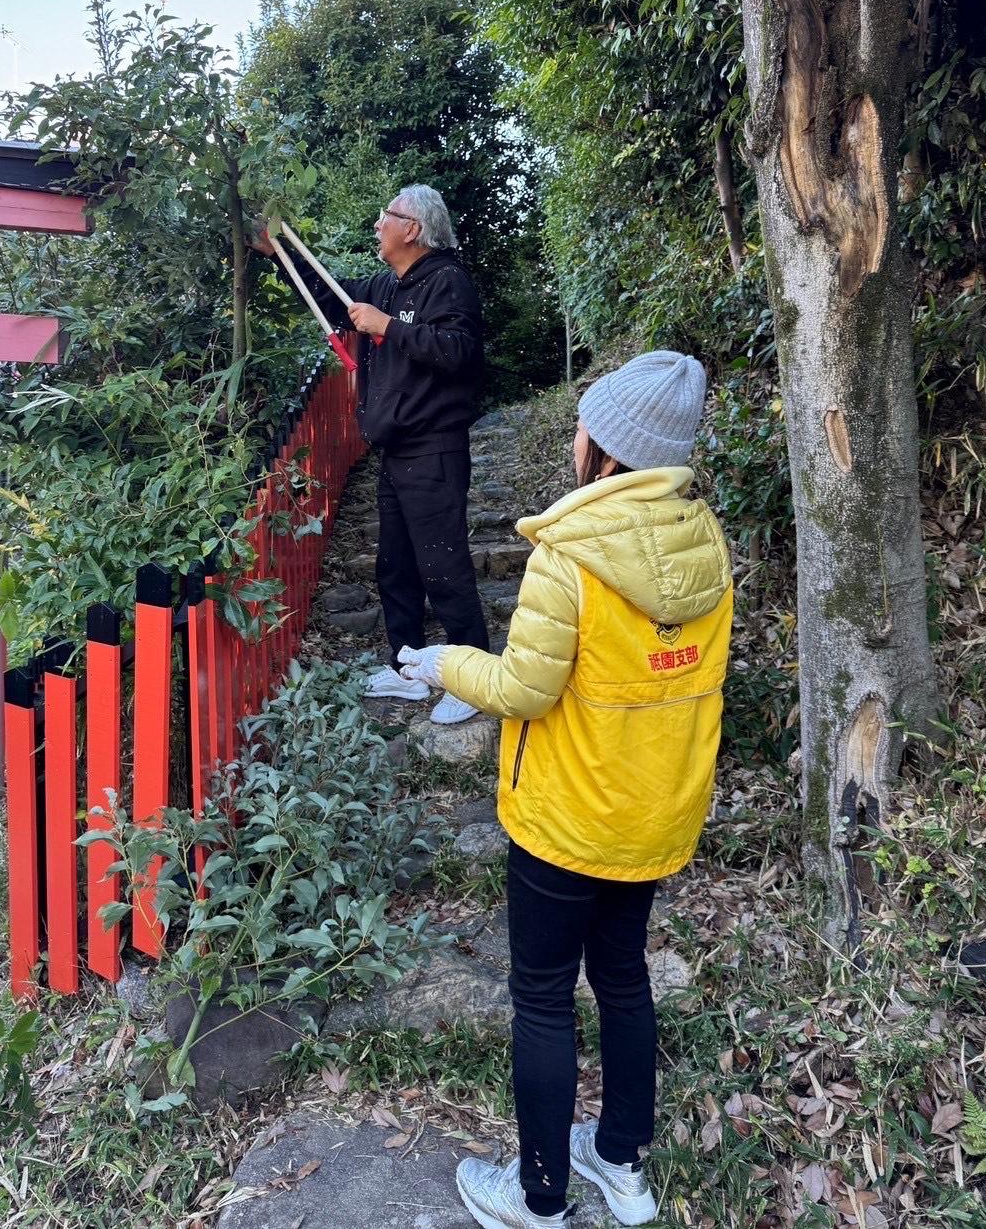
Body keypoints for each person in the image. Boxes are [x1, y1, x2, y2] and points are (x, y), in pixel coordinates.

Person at [398, 351, 733, 1229]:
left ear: (610, 450)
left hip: (565, 820)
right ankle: (620, 1164)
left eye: (588, 423)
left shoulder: (570, 556)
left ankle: (540, 1193)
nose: (576, 435)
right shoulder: (709, 546)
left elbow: (523, 689)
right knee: (622, 978)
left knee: (543, 994)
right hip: (653, 813)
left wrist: (443, 663)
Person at [254, 185, 491, 725]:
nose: (379, 223)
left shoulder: (447, 282)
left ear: (414, 229)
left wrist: (389, 327)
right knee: (396, 566)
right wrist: (279, 254)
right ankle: (408, 667)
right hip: (395, 448)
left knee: (443, 564)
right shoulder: (388, 283)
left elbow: (459, 353)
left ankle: (473, 676)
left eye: (389, 216)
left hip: (434, 446)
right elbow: (333, 296)